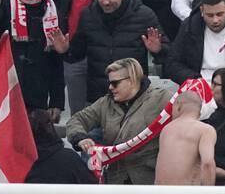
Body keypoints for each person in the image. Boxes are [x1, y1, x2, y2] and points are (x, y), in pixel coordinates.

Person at [49, 0, 164, 105]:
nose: (105, 1)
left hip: (134, 98)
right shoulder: (88, 15)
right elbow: (77, 53)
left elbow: (167, 53)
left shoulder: (144, 16)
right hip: (98, 99)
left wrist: (158, 50)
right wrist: (65, 50)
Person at [66, 58, 173, 186]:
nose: (110, 87)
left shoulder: (161, 98)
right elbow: (76, 120)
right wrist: (80, 138)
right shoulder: (105, 103)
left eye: (115, 83)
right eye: (109, 83)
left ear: (132, 80)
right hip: (116, 180)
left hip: (149, 179)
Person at [154, 90, 217, 186]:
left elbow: (178, 165)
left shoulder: (166, 129)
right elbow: (207, 165)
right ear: (199, 113)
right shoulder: (205, 130)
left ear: (178, 105)